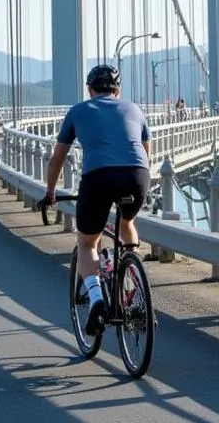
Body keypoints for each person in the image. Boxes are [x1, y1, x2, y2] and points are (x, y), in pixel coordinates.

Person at [43, 64, 151, 336]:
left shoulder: (78, 111)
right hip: (138, 174)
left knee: (87, 241)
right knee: (127, 222)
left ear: (90, 90)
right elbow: (147, 152)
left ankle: (97, 299)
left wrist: (51, 192)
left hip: (99, 177)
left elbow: (57, 158)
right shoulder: (135, 110)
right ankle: (133, 287)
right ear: (118, 90)